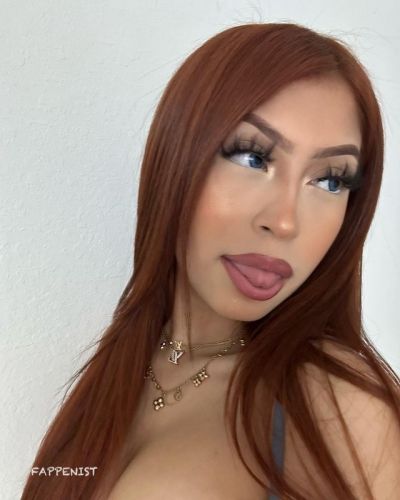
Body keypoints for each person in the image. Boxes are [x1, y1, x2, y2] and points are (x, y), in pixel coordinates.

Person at [22, 22, 400, 500]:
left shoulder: (334, 403)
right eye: (252, 157)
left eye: (330, 181)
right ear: (178, 157)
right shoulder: (119, 367)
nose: (285, 222)